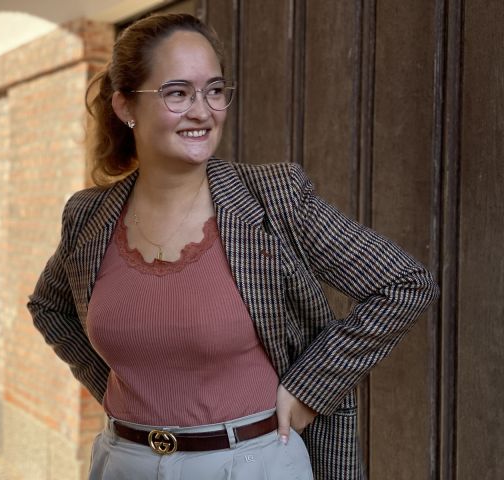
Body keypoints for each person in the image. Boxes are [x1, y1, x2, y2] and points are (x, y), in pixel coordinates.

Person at [27, 13, 439, 480]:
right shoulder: (89, 217)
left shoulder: (273, 198)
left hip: (251, 464)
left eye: (215, 90)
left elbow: (403, 283)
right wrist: (117, 388)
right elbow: (49, 306)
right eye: (178, 92)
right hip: (124, 463)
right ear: (126, 107)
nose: (203, 110)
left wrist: (310, 386)